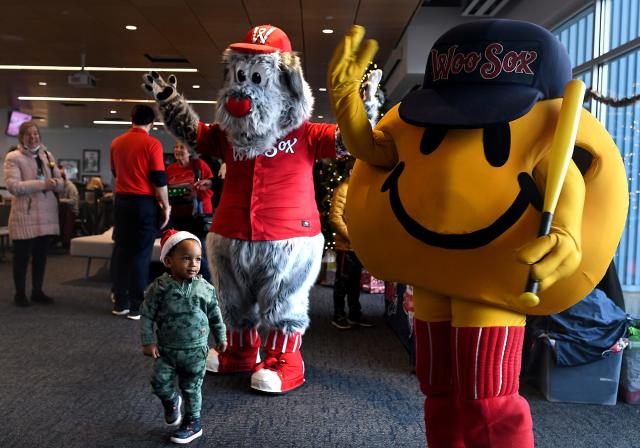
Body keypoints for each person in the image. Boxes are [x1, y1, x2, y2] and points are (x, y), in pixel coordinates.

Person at [140, 229, 227, 444]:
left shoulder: (205, 287)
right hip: (167, 350)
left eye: (198, 259)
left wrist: (221, 337)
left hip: (197, 350)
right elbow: (147, 314)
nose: (193, 264)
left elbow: (215, 314)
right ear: (169, 261)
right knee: (159, 383)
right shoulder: (159, 288)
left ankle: (192, 422)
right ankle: (170, 402)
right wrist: (148, 340)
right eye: (186, 258)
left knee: (192, 388)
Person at [110, 104, 171, 320]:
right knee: (141, 253)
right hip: (143, 204)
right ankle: (136, 306)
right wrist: (166, 206)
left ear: (131, 119)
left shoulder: (116, 143)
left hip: (121, 201)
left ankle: (120, 302)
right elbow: (158, 179)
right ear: (152, 123)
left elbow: (115, 172)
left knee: (121, 251)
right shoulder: (152, 144)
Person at [3, 121, 64, 306]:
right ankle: (20, 294)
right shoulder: (13, 157)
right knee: (21, 259)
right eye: (28, 134)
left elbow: (59, 181)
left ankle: (37, 291)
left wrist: (57, 183)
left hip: (46, 214)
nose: (33, 137)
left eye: (36, 134)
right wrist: (44, 184)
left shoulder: (47, 154)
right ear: (21, 137)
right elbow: (14, 187)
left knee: (41, 257)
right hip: (25, 215)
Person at [329, 157, 374, 330]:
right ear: (350, 172)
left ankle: (355, 313)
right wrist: (351, 236)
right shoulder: (343, 190)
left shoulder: (361, 189)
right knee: (342, 282)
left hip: (357, 247)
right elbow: (335, 218)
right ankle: (338, 315)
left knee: (355, 282)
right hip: (346, 247)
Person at [166, 142, 214, 281]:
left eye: (182, 147)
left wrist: (196, 195)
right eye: (175, 146)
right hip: (178, 216)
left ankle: (206, 287)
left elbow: (210, 188)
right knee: (180, 252)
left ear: (189, 151)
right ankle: (184, 286)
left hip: (198, 217)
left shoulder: (199, 166)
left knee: (200, 253)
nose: (178, 149)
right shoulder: (170, 169)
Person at [57, 165, 80, 248]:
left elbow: (73, 201)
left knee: (63, 207)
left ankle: (64, 240)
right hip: (63, 210)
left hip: (72, 210)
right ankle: (58, 238)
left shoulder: (70, 186)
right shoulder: (59, 187)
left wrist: (60, 200)